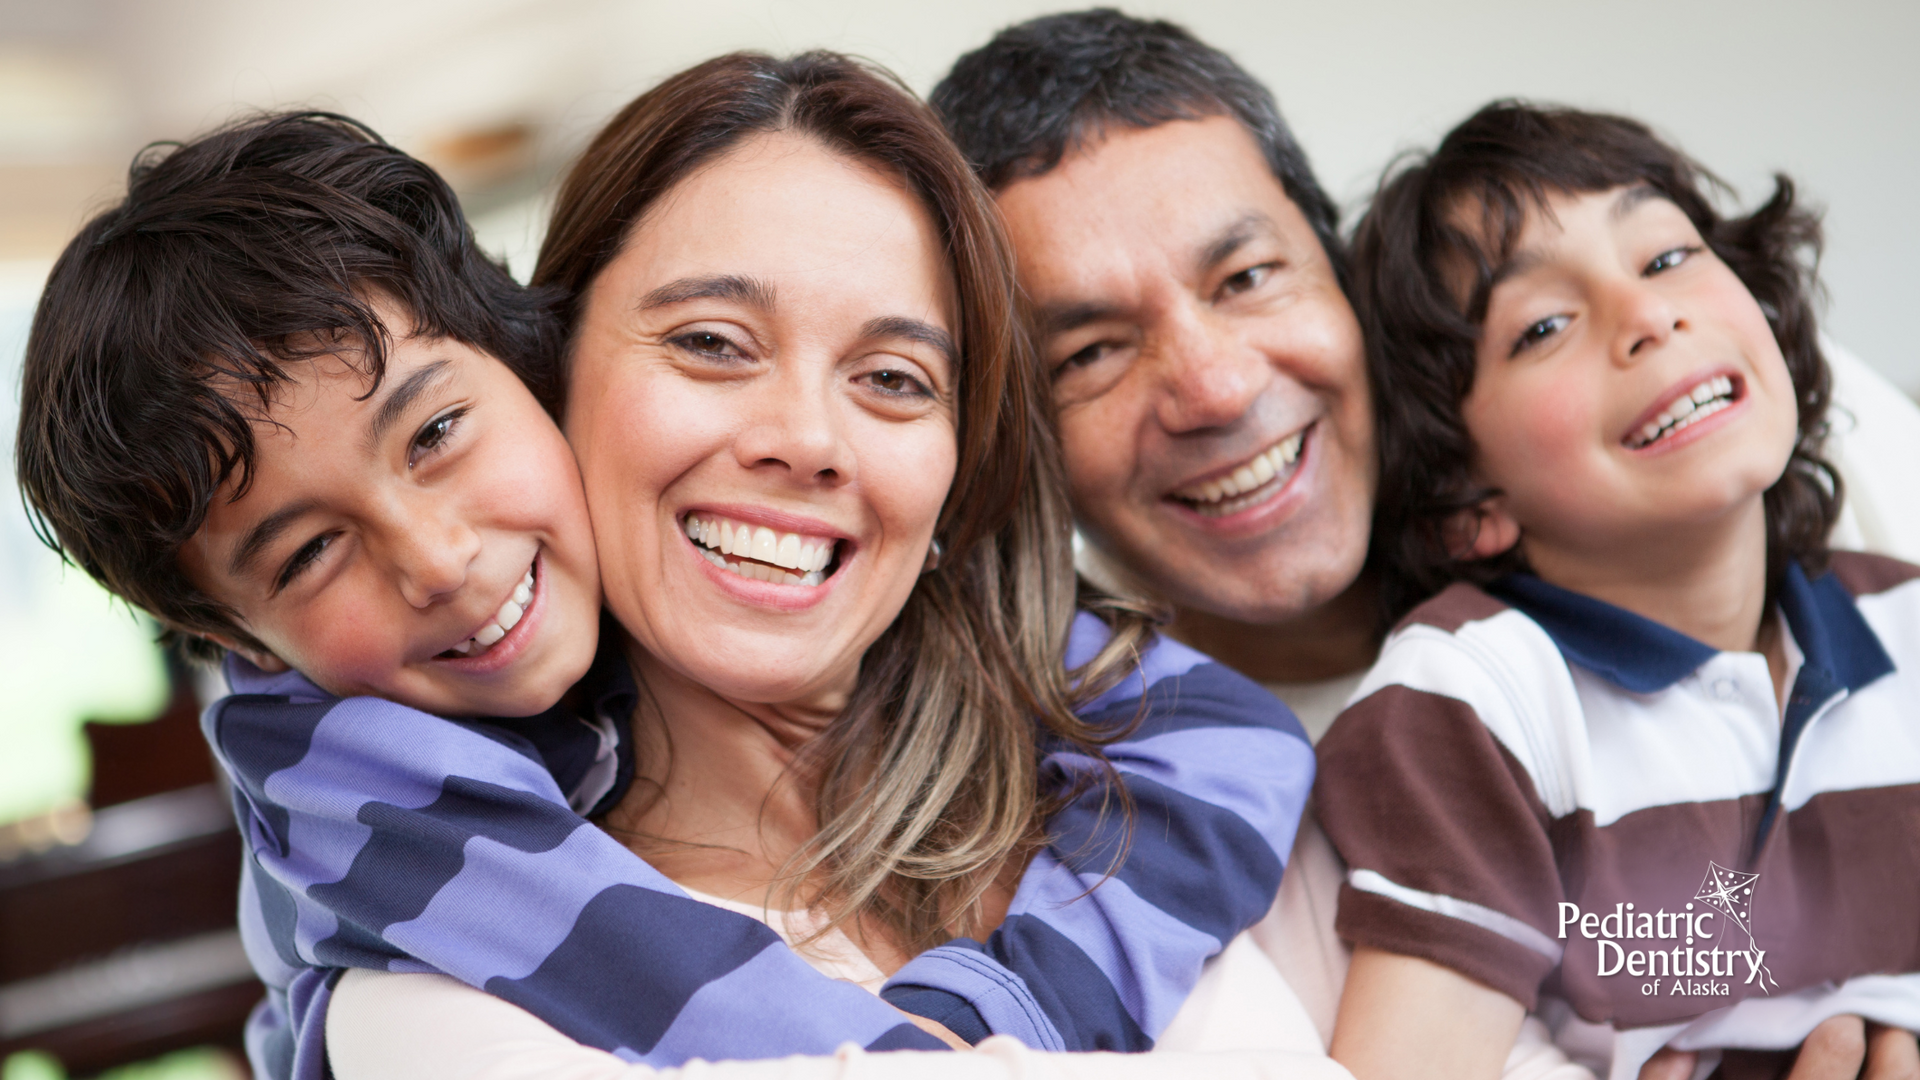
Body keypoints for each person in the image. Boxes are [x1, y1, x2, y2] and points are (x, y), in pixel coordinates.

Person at [13, 80, 1324, 1080]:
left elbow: (1233, 737)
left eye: (894, 377)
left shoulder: (1133, 775)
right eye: (710, 340)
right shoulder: (410, 946)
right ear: (570, 363)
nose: (439, 559)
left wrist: (1001, 1016)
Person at [932, 13, 1920, 1077]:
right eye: (1089, 352)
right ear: (1017, 438)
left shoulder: (1775, 450)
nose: (1214, 388)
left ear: (1342, 271)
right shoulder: (1105, 806)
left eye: (1248, 276)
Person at [1314, 100, 1920, 1080]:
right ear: (1467, 497)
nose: (1647, 317)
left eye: (1667, 257)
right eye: (1544, 325)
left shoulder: (1906, 622)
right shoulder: (1479, 697)